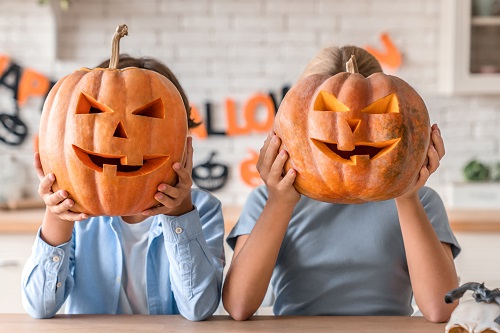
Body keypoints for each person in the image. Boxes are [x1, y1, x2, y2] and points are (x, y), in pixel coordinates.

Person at [222, 45, 460, 322]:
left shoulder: (422, 201)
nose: (351, 131)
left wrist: (405, 194)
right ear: (298, 122)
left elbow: (441, 309)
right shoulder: (266, 200)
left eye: (377, 112)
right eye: (328, 111)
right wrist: (280, 201)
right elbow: (239, 307)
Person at [21, 55, 225, 321]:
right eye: (96, 112)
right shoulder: (79, 216)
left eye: (148, 115)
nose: (120, 136)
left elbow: (198, 309)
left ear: (181, 136)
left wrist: (180, 211)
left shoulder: (203, 210)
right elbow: (39, 306)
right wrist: (59, 213)